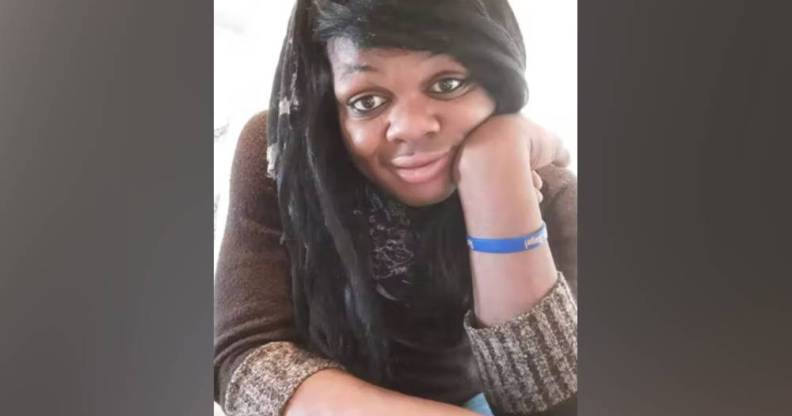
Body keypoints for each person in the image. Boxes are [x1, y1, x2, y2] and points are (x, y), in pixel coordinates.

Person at [214, 1, 578, 415]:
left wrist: (495, 180)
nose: (411, 127)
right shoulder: (285, 159)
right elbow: (243, 359)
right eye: (367, 101)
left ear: (499, 75)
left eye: (447, 84)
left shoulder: (545, 188)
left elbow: (553, 404)